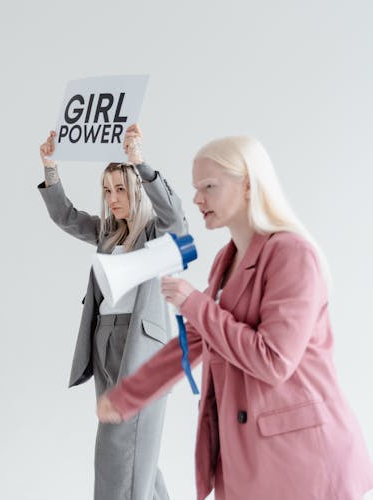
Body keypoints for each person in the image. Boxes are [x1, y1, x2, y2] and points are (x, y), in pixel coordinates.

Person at [97, 135, 373, 500]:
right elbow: (194, 341)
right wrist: (127, 396)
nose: (197, 199)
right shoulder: (225, 262)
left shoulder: (293, 255)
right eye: (196, 188)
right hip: (249, 457)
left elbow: (273, 360)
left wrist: (195, 303)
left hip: (305, 459)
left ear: (247, 185)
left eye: (209, 187)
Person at [38, 125, 187, 500]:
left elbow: (178, 221)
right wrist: (50, 169)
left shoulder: (154, 233)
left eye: (121, 188)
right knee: (137, 450)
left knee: (119, 443)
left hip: (140, 345)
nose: (113, 197)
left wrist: (142, 163)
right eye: (107, 190)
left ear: (136, 189)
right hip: (104, 340)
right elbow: (66, 216)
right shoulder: (105, 232)